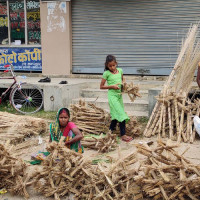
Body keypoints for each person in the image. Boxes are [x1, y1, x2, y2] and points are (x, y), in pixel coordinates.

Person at [100, 55, 133, 142]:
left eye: (113, 65)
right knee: (121, 114)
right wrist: (112, 86)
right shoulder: (106, 73)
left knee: (115, 115)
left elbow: (123, 81)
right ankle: (123, 135)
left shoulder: (120, 70)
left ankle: (110, 132)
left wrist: (126, 86)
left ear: (116, 64)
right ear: (106, 65)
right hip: (112, 96)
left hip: (119, 96)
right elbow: (101, 86)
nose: (112, 67)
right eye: (110, 66)